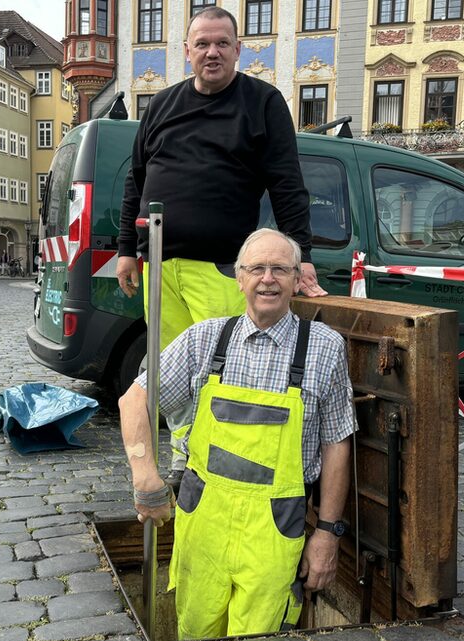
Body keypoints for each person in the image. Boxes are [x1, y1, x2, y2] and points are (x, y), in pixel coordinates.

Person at [116, 6, 328, 488]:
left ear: (238, 49)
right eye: (202, 44)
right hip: (159, 266)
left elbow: (287, 184)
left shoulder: (262, 102)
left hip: (221, 268)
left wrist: (303, 258)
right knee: (169, 373)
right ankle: (181, 459)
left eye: (222, 44)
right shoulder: (163, 104)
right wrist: (127, 248)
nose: (212, 52)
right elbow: (137, 180)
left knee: (224, 370)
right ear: (187, 51)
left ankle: (223, 461)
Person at [118, 229, 354, 639]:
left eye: (280, 269)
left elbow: (337, 443)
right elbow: (133, 401)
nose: (268, 278)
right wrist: (144, 474)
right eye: (257, 268)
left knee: (262, 640)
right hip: (203, 527)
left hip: (275, 534)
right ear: (239, 279)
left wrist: (327, 534)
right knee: (195, 632)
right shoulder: (204, 339)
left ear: (298, 279)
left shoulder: (324, 347)